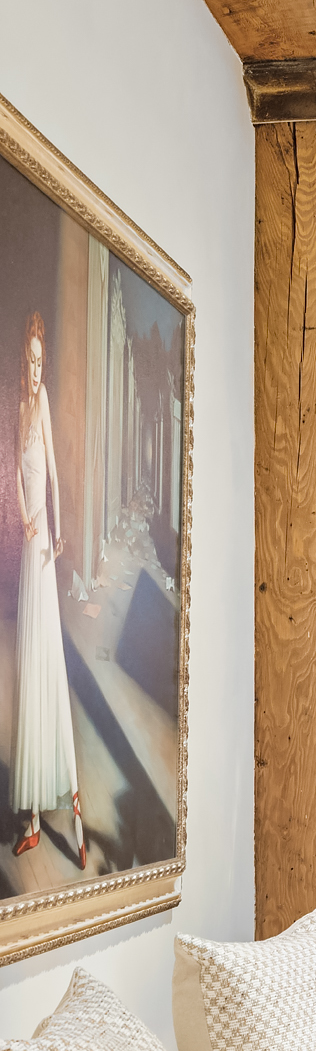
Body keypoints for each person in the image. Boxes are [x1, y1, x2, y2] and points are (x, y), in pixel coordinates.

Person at [11, 312, 84, 866]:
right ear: (22, 365)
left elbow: (54, 473)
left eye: (42, 361)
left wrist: (55, 530)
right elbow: (16, 472)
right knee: (29, 667)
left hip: (44, 556)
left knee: (49, 667)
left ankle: (71, 801)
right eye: (30, 361)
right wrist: (24, 518)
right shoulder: (17, 410)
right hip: (26, 548)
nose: (36, 369)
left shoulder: (45, 405)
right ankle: (34, 816)